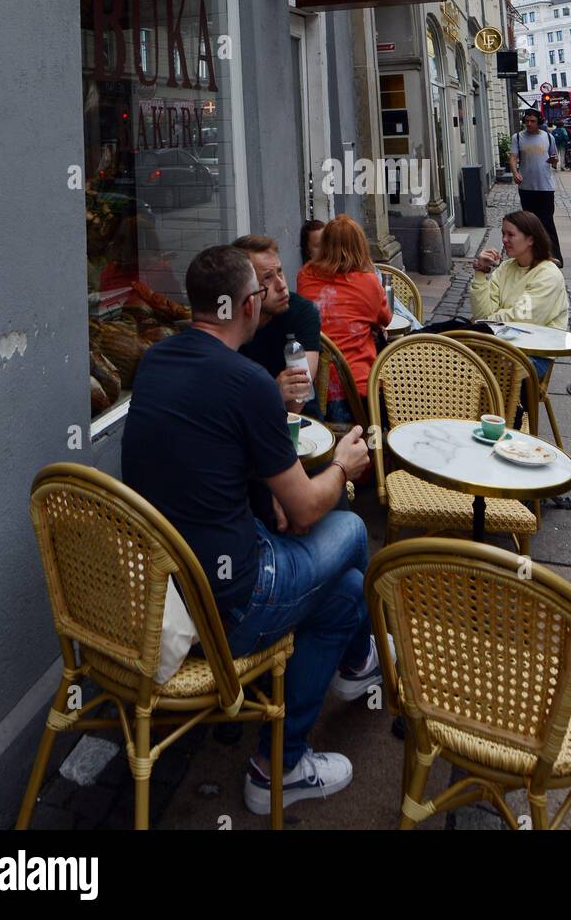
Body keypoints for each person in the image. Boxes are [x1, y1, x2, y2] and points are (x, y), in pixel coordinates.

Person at [121, 244, 379, 815]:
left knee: (343, 593)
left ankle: (304, 731)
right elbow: (310, 508)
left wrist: (269, 495)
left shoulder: (157, 361)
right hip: (229, 606)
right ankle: (307, 730)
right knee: (354, 537)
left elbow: (201, 458)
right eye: (259, 294)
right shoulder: (248, 382)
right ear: (245, 306)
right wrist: (343, 464)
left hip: (163, 584)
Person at [470, 212, 571, 509]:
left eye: (510, 235)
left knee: (480, 373)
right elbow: (482, 311)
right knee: (464, 368)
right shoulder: (504, 269)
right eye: (502, 233)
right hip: (499, 352)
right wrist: (480, 273)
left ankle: (509, 461)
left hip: (533, 359)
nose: (503, 241)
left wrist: (486, 323)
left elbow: (520, 321)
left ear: (531, 239)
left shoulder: (548, 274)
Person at [297, 215, 391, 423]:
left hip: (313, 386)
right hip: (357, 388)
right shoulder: (368, 282)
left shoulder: (305, 275)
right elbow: (386, 318)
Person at [235, 233, 321, 418]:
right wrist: (273, 391)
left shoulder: (302, 312)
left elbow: (295, 402)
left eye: (280, 272)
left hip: (302, 426)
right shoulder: (231, 322)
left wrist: (264, 395)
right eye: (267, 278)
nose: (281, 285)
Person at [508, 109, 563, 266]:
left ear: (539, 122)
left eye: (532, 121)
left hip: (545, 187)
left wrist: (553, 160)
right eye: (527, 121)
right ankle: (532, 255)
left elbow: (555, 160)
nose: (529, 124)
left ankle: (553, 256)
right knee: (529, 225)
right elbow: (513, 158)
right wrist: (515, 172)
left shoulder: (548, 137)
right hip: (526, 187)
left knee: (547, 223)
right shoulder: (518, 137)